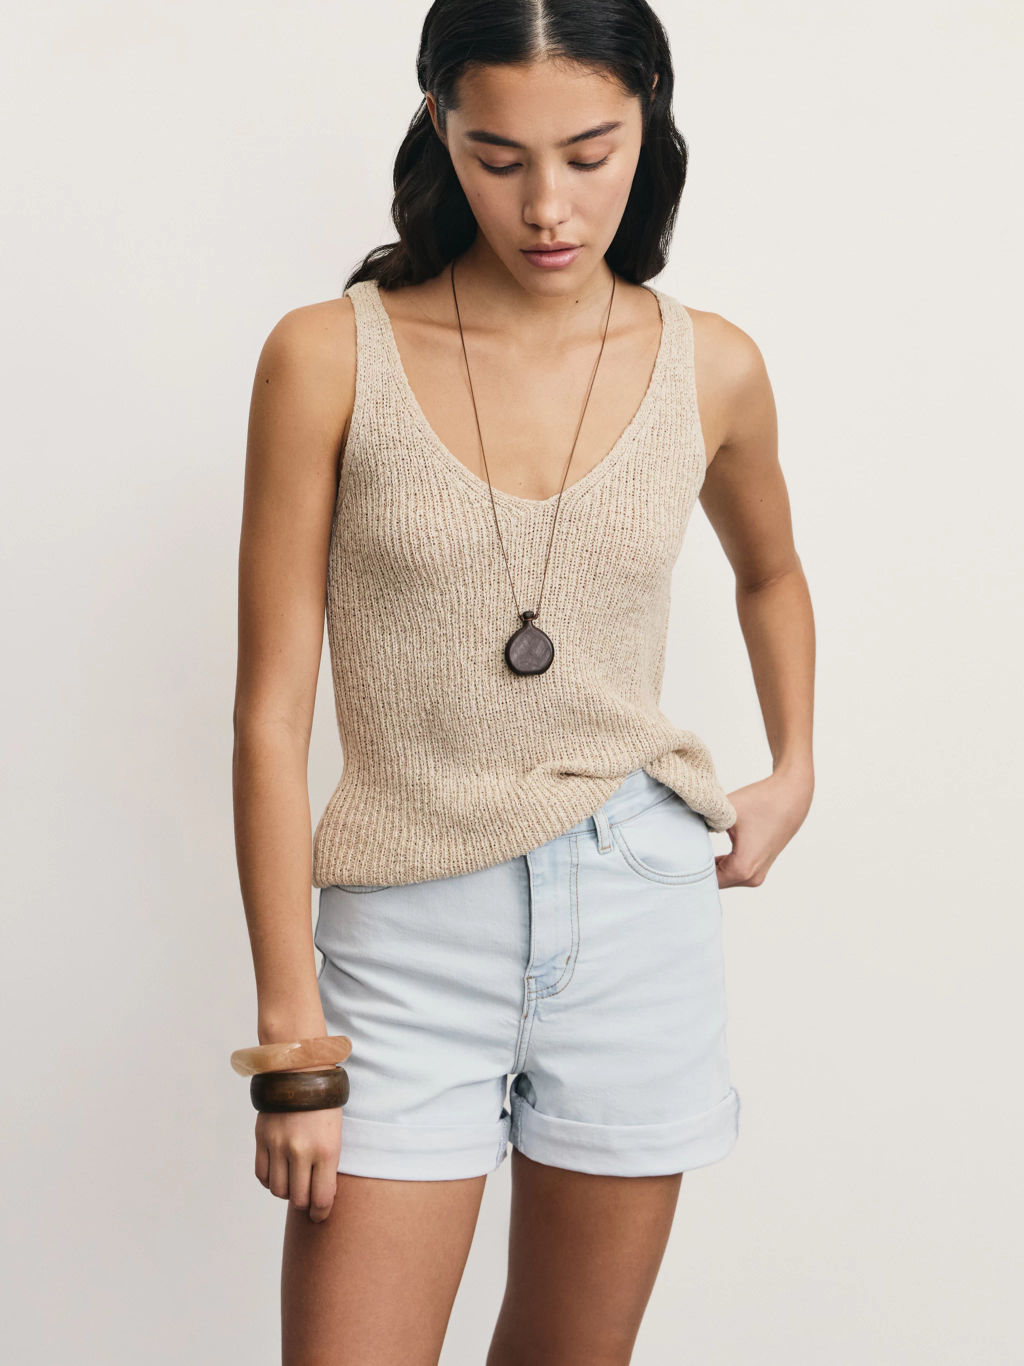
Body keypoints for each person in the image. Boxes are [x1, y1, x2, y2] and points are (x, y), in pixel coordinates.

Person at [232, 1, 814, 1361]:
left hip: (638, 904)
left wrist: (794, 770)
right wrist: (292, 1041)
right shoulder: (328, 356)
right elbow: (269, 715)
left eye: (590, 154)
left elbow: (773, 572)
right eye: (498, 159)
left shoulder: (712, 365)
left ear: (649, 118)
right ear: (440, 127)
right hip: (407, 931)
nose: (548, 206)